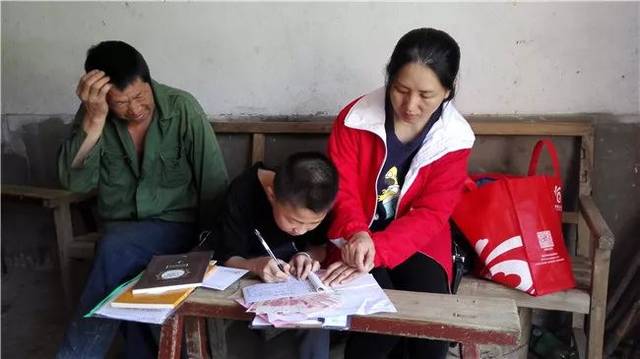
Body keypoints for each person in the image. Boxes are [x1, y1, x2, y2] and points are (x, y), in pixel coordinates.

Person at [56, 40, 229, 358]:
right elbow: (73, 182)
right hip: (120, 232)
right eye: (120, 103)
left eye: (139, 96)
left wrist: (207, 249)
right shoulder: (95, 115)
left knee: (114, 249)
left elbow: (214, 184)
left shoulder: (181, 108)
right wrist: (94, 122)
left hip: (176, 228)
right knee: (120, 259)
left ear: (149, 81)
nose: (133, 109)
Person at [323, 28, 476, 358]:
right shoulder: (354, 120)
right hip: (354, 233)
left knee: (431, 328)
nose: (410, 105)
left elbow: (432, 214)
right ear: (389, 79)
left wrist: (379, 249)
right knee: (377, 323)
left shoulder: (454, 138)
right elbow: (342, 190)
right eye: (401, 90)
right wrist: (358, 235)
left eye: (426, 95)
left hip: (417, 238)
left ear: (448, 91)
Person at [198, 151, 348, 359]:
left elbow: (319, 247)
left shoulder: (321, 197)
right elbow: (228, 257)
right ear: (271, 195)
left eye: (313, 223)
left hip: (290, 278)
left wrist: (305, 255)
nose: (301, 230)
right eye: (293, 220)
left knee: (316, 316)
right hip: (240, 271)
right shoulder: (243, 193)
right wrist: (257, 266)